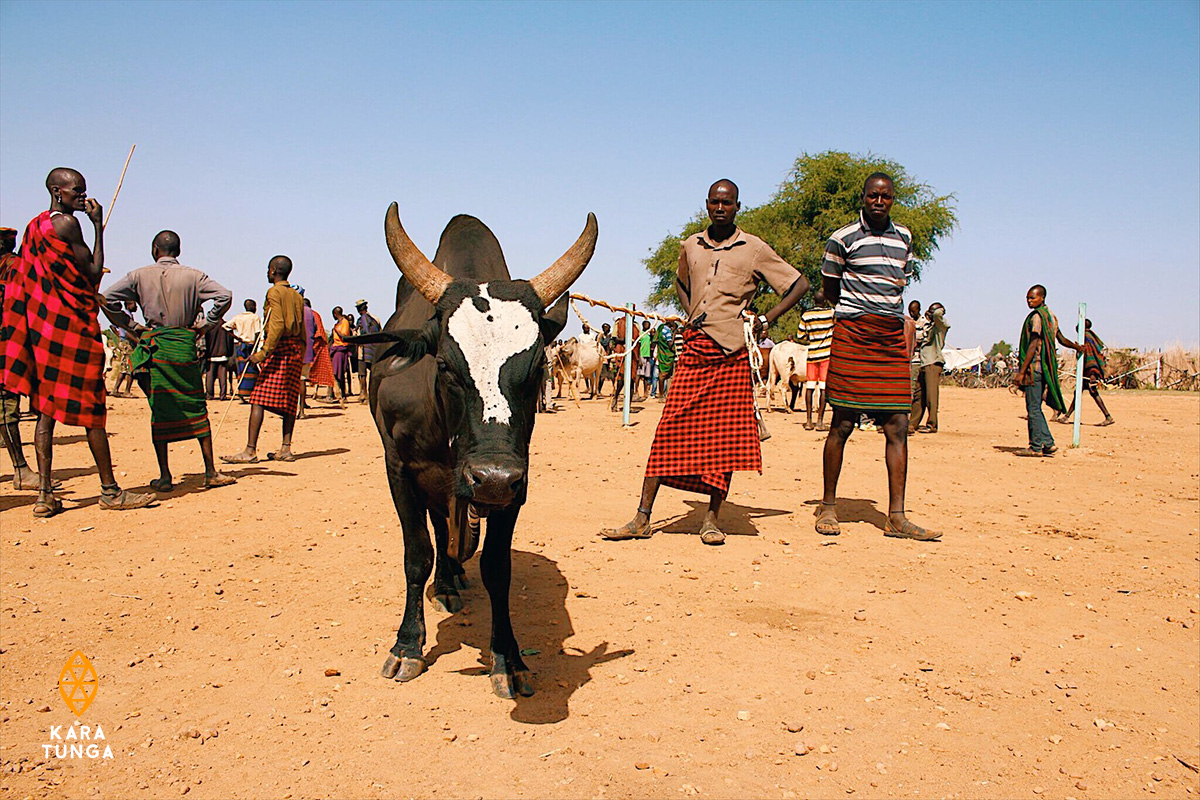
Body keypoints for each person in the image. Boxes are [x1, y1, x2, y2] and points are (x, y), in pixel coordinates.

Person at [601, 179, 806, 545]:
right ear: (706, 205)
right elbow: (681, 281)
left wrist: (766, 318)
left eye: (727, 203)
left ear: (738, 207)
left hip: (731, 355)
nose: (720, 208)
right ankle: (642, 517)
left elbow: (798, 285)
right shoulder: (690, 245)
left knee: (722, 441)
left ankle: (711, 519)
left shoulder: (755, 249)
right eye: (715, 202)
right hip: (695, 349)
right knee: (668, 430)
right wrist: (691, 311)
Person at [0, 168, 154, 515]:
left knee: (46, 410)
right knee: (93, 409)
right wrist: (98, 227)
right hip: (70, 329)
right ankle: (110, 491)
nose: (83, 198)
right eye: (77, 192)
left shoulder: (34, 226)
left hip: (44, 330)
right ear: (57, 191)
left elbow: (30, 276)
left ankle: (44, 495)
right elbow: (92, 273)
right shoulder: (67, 225)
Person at [815, 172, 938, 541]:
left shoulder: (905, 238)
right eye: (873, 196)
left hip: (888, 337)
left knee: (898, 425)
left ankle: (896, 517)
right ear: (863, 198)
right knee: (842, 422)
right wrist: (858, 313)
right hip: (854, 333)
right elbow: (830, 287)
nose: (879, 202)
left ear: (893, 199)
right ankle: (829, 506)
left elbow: (903, 281)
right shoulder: (842, 238)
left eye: (885, 196)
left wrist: (891, 323)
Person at [102, 230, 236, 492]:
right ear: (178, 250)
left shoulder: (138, 275)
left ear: (155, 250)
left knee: (160, 409)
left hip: (157, 346)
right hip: (184, 346)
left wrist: (132, 326)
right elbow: (225, 295)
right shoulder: (194, 276)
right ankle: (210, 471)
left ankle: (165, 476)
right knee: (196, 404)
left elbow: (106, 299)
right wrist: (205, 325)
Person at [222, 256, 305, 464]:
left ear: (274, 270)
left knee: (258, 398)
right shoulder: (296, 296)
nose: (266, 273)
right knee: (289, 400)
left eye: (268, 269)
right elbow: (302, 327)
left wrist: (262, 353)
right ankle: (285, 448)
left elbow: (276, 325)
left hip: (280, 348)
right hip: (295, 349)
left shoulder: (274, 292)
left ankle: (250, 450)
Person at [0, 224, 54, 491]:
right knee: (7, 407)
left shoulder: (14, 267)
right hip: (8, 346)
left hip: (10, 344)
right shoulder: (15, 267)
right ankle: (20, 468)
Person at [1014, 284, 1083, 456]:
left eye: (1033, 297)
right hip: (1045, 368)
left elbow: (1033, 344)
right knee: (1035, 407)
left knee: (1033, 408)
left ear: (1042, 297)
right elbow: (1060, 338)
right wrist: (1076, 346)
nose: (1029, 301)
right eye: (1028, 298)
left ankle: (1036, 447)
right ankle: (1048, 443)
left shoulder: (1037, 318)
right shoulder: (1051, 317)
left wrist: (1022, 371)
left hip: (1034, 368)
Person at [1055, 319, 1114, 426]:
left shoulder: (1086, 337)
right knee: (1080, 393)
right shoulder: (1089, 337)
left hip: (1090, 370)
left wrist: (1092, 374)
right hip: (1087, 371)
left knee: (1090, 392)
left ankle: (1108, 416)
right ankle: (1067, 416)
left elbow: (1091, 355)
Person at [799, 289, 835, 430]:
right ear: (824, 300)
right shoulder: (831, 313)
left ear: (814, 301)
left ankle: (808, 421)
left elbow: (800, 335)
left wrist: (811, 337)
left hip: (812, 355)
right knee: (823, 388)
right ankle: (820, 421)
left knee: (810, 387)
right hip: (826, 355)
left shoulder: (806, 315)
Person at [910, 302, 949, 433]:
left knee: (931, 397)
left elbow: (938, 315)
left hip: (933, 363)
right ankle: (912, 424)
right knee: (919, 395)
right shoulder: (930, 326)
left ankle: (932, 424)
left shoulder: (941, 326)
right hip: (924, 363)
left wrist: (934, 311)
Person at [226, 298, 263, 399]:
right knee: (252, 369)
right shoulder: (255, 318)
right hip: (251, 345)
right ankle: (250, 392)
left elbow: (225, 327)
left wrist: (237, 337)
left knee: (241, 369)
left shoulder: (238, 317)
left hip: (241, 346)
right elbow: (257, 332)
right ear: (252, 307)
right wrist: (255, 348)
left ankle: (242, 392)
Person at [354, 299, 381, 402]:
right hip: (375, 349)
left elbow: (358, 335)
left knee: (362, 373)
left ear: (358, 310)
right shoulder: (375, 319)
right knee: (374, 371)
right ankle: (373, 393)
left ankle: (363, 394)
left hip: (363, 349)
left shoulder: (360, 321)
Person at [204, 317, 235, 401]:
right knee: (223, 376)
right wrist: (229, 353)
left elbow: (205, 341)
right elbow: (230, 341)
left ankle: (209, 395)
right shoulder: (226, 326)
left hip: (211, 355)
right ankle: (223, 395)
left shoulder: (209, 327)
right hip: (223, 355)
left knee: (210, 376)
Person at [329, 306, 353, 401]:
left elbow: (344, 336)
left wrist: (336, 331)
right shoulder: (338, 323)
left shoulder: (344, 322)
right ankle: (338, 395)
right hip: (335, 348)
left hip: (340, 349)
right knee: (336, 373)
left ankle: (341, 395)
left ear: (335, 314)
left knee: (338, 374)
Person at [654, 322, 677, 398]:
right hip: (667, 356)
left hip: (661, 355)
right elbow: (670, 344)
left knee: (662, 376)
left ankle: (661, 394)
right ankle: (663, 394)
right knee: (664, 376)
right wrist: (674, 335)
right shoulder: (668, 332)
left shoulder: (661, 329)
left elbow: (655, 340)